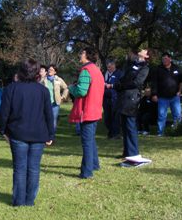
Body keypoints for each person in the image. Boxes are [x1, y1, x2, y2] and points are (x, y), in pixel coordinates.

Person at [0, 58, 54, 206]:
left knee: (20, 169)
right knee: (33, 169)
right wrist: (50, 134)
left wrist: (2, 130)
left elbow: (4, 113)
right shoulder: (43, 90)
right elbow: (49, 115)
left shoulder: (12, 88)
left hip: (18, 134)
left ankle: (20, 201)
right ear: (37, 72)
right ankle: (28, 201)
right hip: (36, 134)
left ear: (21, 71)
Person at [68, 47, 105, 179]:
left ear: (87, 55)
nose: (80, 54)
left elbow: (82, 91)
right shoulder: (97, 70)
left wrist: (71, 88)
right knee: (91, 140)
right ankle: (94, 164)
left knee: (87, 142)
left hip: (87, 110)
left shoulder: (86, 70)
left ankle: (86, 172)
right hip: (95, 109)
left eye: (82, 53)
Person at [114, 49, 149, 159]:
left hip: (132, 98)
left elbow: (137, 82)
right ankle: (127, 152)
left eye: (144, 50)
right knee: (124, 126)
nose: (141, 49)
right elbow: (123, 78)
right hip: (123, 97)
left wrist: (123, 85)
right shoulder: (131, 64)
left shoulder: (145, 67)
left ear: (146, 56)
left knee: (130, 125)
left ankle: (133, 152)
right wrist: (118, 85)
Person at [151, 52, 182, 136]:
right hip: (162, 97)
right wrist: (154, 94)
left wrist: (179, 91)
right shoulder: (158, 69)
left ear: (170, 59)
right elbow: (154, 83)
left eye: (165, 59)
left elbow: (181, 81)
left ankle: (177, 132)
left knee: (177, 115)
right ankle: (160, 133)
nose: (164, 60)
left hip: (175, 97)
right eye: (163, 59)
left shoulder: (177, 68)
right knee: (161, 116)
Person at [39, 64, 69, 134]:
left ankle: (51, 136)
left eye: (52, 70)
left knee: (53, 120)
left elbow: (66, 88)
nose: (50, 71)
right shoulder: (43, 80)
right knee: (45, 119)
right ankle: (45, 135)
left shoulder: (58, 80)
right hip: (45, 103)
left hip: (55, 104)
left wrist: (63, 97)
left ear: (55, 72)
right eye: (49, 69)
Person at [103, 60, 123, 139]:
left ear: (114, 66)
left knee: (115, 116)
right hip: (106, 98)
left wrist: (111, 85)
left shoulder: (119, 74)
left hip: (115, 98)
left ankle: (116, 133)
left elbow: (120, 85)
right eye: (108, 67)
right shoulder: (105, 74)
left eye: (110, 67)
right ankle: (110, 132)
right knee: (107, 117)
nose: (109, 68)